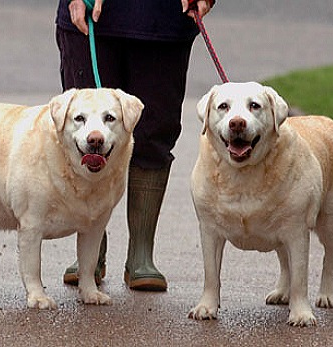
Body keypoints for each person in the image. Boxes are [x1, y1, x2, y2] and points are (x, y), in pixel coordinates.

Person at [55, 0, 214, 291]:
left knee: (154, 134)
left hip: (163, 21)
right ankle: (90, 254)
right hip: (92, 17)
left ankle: (141, 255)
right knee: (87, 133)